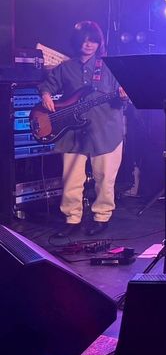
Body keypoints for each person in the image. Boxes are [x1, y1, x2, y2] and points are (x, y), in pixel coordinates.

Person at [39, 21, 127, 237]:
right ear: (76, 41)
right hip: (72, 130)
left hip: (106, 129)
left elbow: (123, 95)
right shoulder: (66, 67)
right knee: (71, 177)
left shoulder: (110, 67)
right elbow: (47, 85)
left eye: (93, 41)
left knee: (105, 177)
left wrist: (124, 94)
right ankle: (72, 218)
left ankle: (101, 217)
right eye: (84, 40)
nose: (88, 45)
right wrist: (46, 95)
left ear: (99, 43)